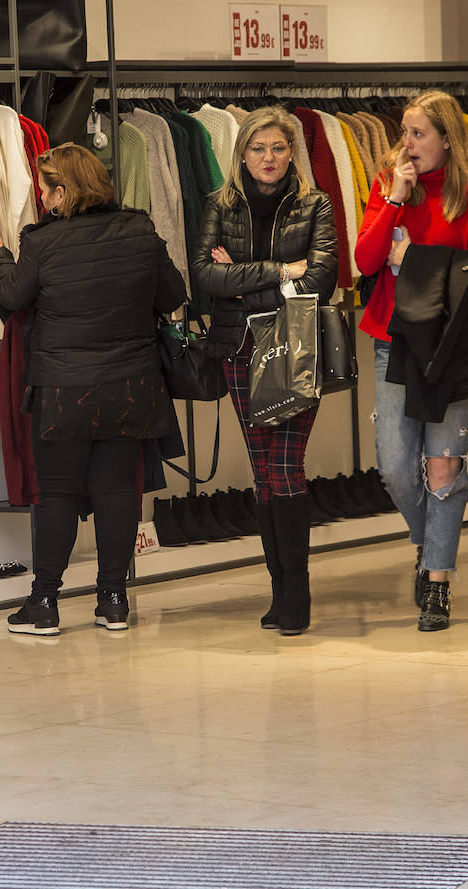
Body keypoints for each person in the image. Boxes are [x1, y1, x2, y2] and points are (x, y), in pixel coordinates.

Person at [0, 143, 186, 637]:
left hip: (64, 390)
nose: (41, 197)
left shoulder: (42, 242)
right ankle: (113, 600)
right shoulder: (140, 229)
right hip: (130, 386)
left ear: (62, 194)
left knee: (59, 494)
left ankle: (44, 603)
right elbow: (172, 295)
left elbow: (11, 296)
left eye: (45, 189)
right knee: (117, 489)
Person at [353, 90, 468, 632]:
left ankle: (437, 580)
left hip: (456, 346)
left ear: (447, 139)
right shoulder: (387, 184)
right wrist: (394, 198)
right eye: (405, 133)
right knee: (395, 468)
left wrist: (410, 258)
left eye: (419, 134)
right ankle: (428, 542)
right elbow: (365, 259)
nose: (407, 144)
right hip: (395, 341)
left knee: (443, 465)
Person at [192, 106, 338, 636]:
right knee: (262, 471)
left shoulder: (315, 203)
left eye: (278, 147)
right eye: (258, 148)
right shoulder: (220, 204)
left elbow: (322, 278)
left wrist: (240, 277)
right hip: (239, 348)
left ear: (292, 151)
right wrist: (280, 271)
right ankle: (279, 590)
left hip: (296, 348)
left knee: (285, 467)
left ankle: (297, 592)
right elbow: (205, 275)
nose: (268, 158)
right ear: (242, 153)